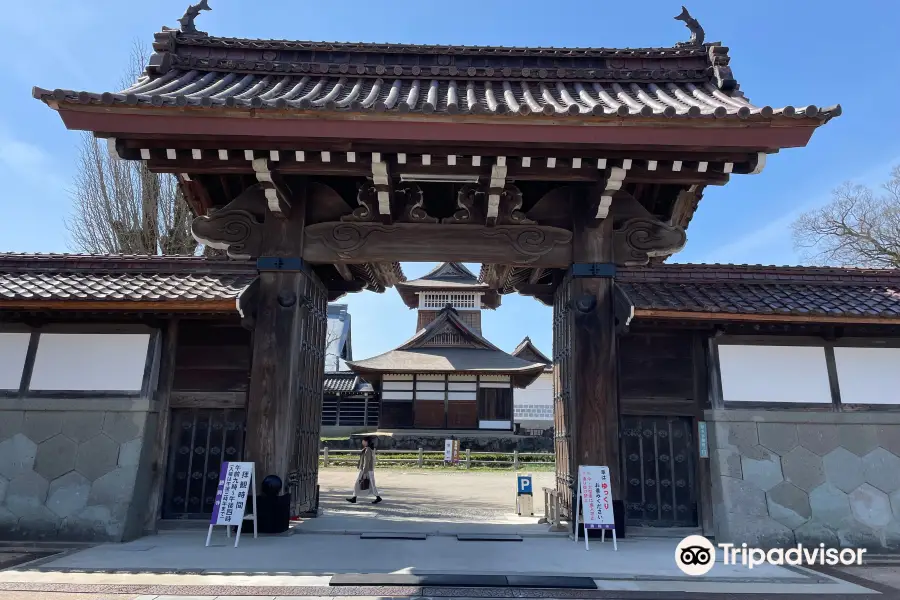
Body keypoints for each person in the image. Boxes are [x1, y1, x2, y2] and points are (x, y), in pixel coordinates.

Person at [346, 436, 382, 504]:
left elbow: (366, 461)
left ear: (366, 442)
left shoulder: (368, 449)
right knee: (370, 484)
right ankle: (354, 497)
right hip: (368, 470)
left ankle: (377, 497)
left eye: (363, 441)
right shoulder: (368, 449)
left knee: (362, 483)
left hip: (366, 470)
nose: (362, 442)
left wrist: (365, 472)